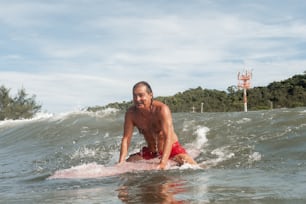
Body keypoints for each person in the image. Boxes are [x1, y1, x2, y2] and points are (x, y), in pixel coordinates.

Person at [118, 81, 197, 170]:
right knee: (129, 161)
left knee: (192, 165)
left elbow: (168, 137)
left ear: (150, 95)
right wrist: (121, 162)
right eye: (134, 96)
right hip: (151, 152)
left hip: (171, 150)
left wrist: (162, 163)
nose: (137, 99)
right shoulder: (131, 113)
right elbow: (126, 139)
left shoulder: (162, 110)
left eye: (141, 95)